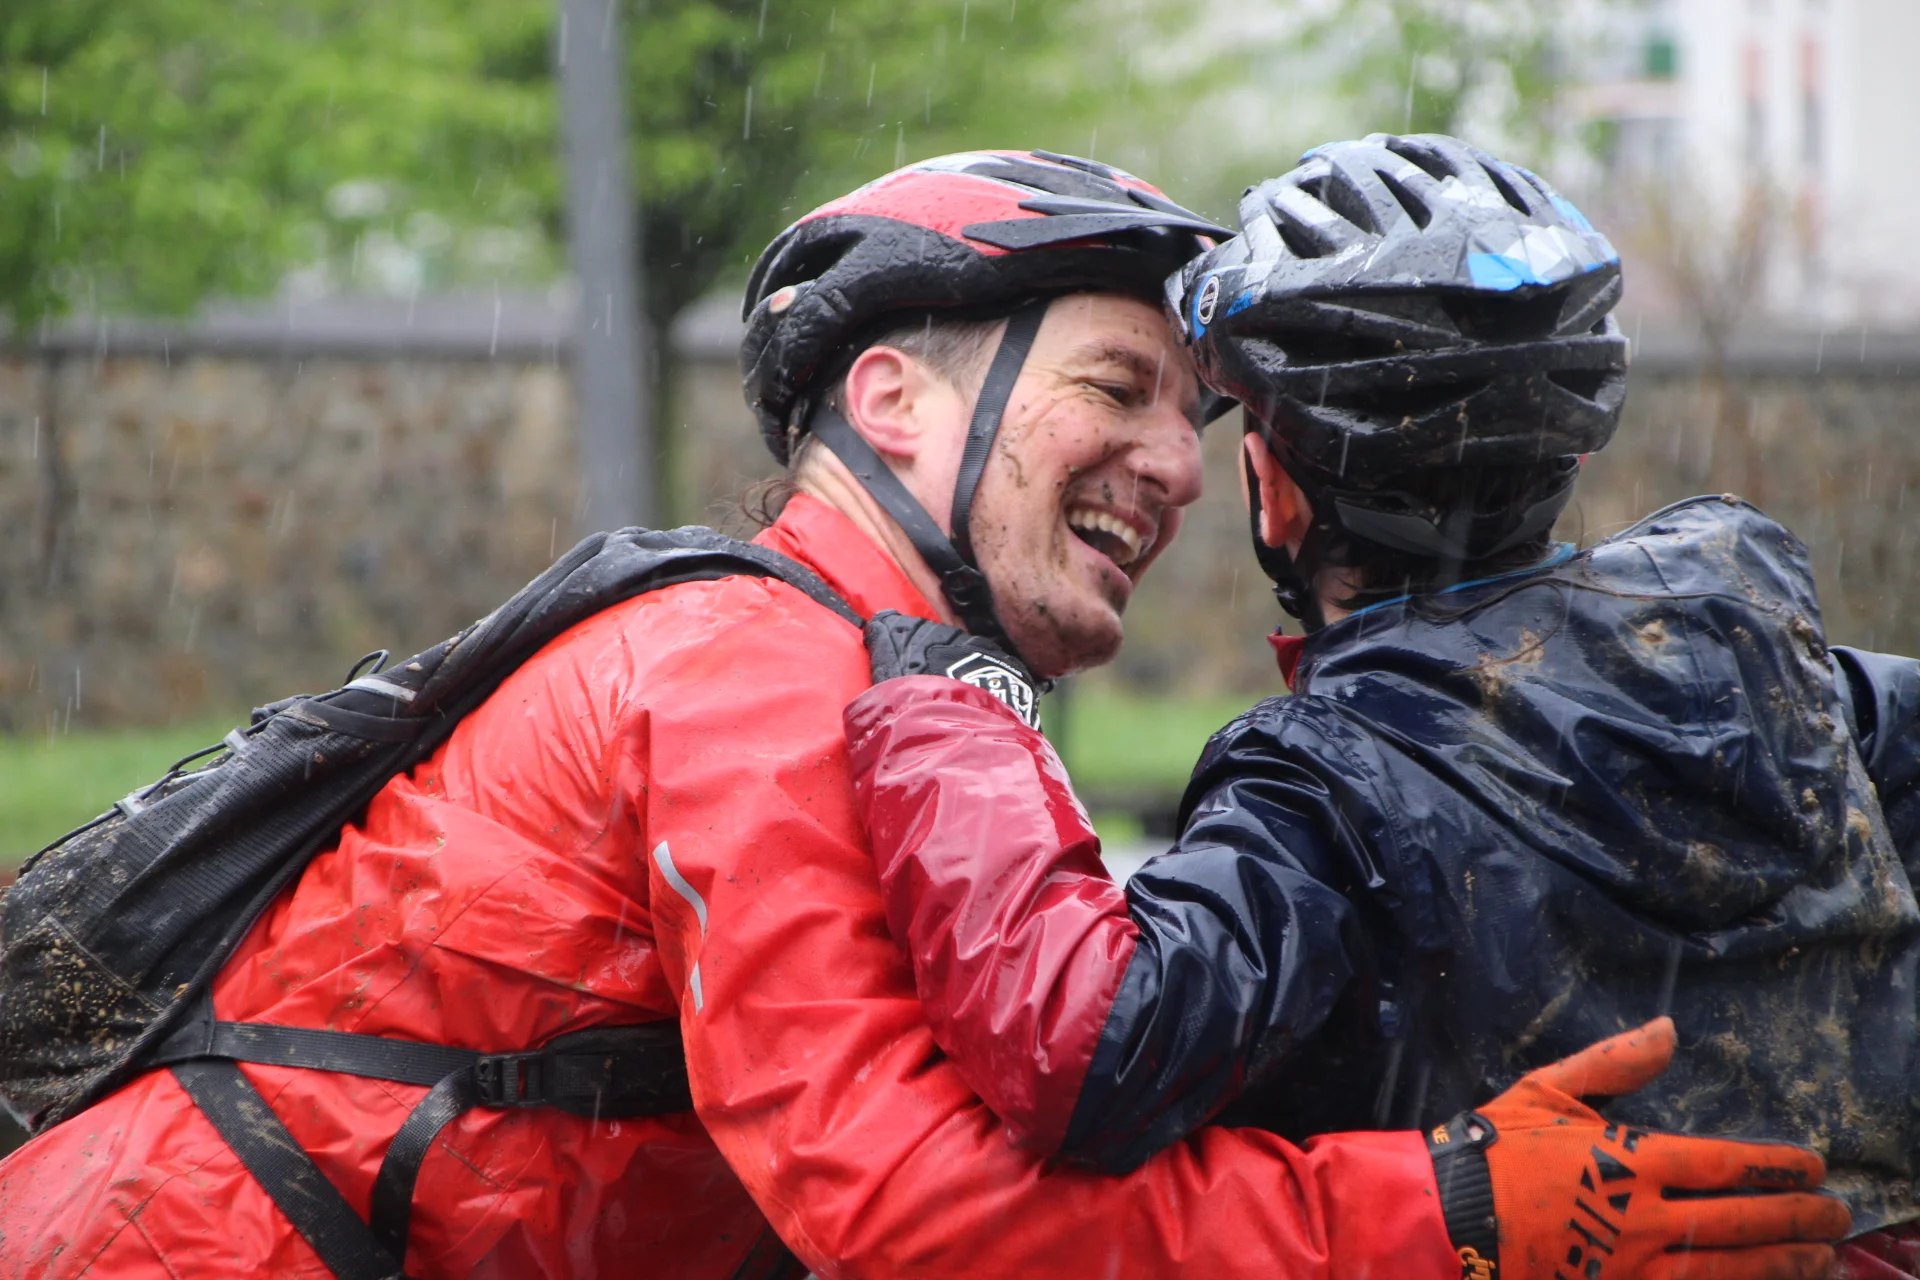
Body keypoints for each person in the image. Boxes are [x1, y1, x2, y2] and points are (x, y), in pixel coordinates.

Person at [0, 150, 1845, 1280]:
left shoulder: (899, 690)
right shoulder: (750, 672)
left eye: (1194, 420)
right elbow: (905, 1211)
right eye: (1116, 388)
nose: (1173, 466)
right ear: (892, 403)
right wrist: (1438, 1213)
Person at [847, 135, 1920, 1275]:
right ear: (1564, 458)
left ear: (1275, 494)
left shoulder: (1326, 780)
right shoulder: (1769, 651)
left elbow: (1083, 1045)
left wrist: (950, 707)